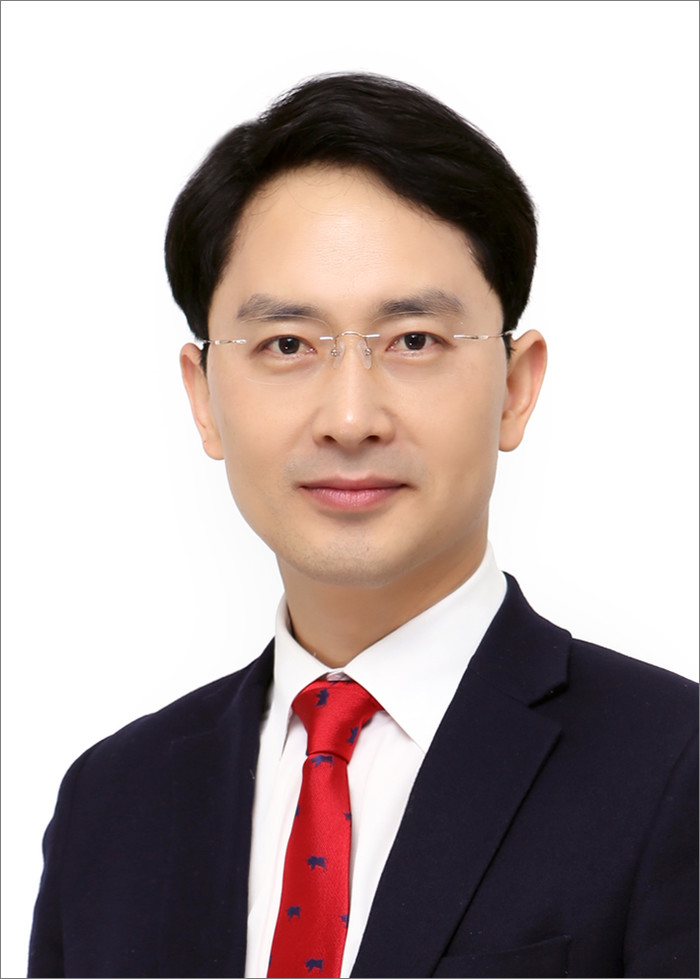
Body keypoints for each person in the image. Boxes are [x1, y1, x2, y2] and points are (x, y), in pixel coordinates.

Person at [28, 73, 697, 979]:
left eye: (414, 340)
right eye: (287, 345)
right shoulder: (111, 805)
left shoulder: (674, 767)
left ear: (516, 386)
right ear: (204, 398)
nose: (350, 418)